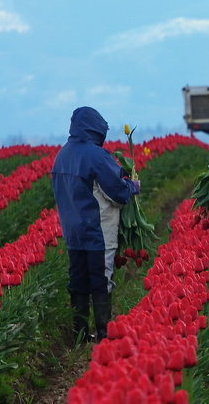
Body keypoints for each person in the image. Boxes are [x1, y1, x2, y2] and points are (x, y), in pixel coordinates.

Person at [51, 107, 141, 342]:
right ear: (97, 129)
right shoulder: (96, 155)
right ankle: (103, 333)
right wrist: (133, 186)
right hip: (97, 230)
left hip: (73, 232)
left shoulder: (63, 155)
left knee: (78, 280)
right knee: (101, 278)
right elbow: (118, 193)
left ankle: (80, 334)